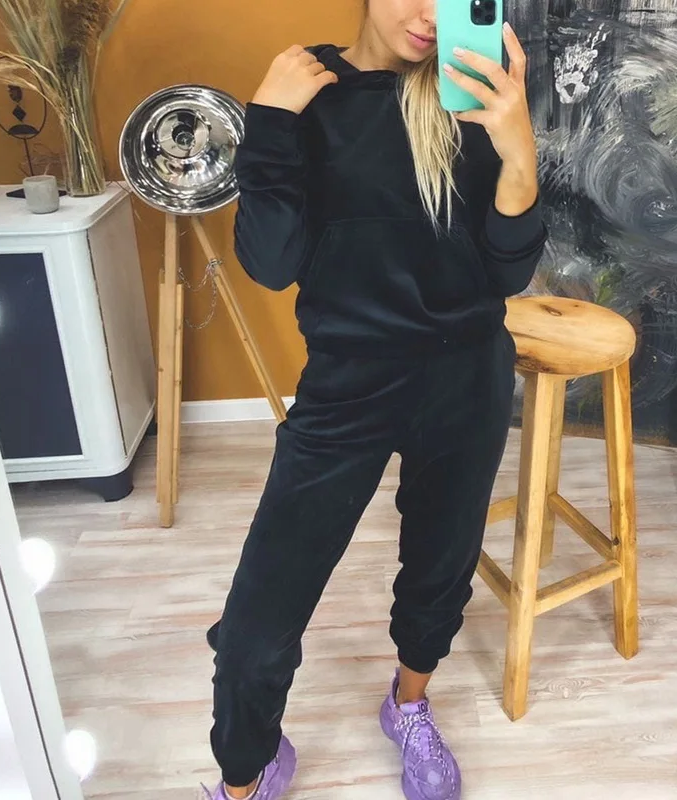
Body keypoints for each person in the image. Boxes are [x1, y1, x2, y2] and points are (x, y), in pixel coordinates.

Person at [203, 1, 547, 798]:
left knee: (439, 571)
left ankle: (408, 705)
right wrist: (269, 123)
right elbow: (272, 263)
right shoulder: (307, 91)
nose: (429, 16)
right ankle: (245, 772)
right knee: (260, 616)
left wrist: (519, 146)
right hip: (348, 381)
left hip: (466, 376)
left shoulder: (472, 90)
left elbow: (506, 273)